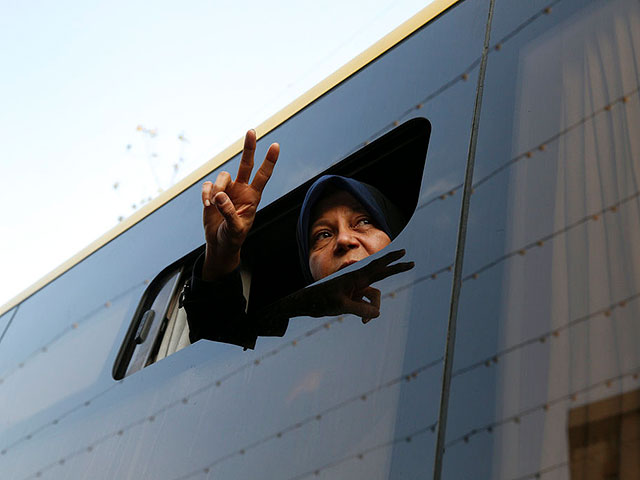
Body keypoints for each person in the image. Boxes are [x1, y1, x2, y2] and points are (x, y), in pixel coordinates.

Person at [183, 130, 413, 349]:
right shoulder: (291, 346)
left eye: (363, 222)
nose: (344, 240)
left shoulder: (428, 300)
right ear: (308, 268)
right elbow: (219, 343)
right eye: (324, 235)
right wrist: (221, 254)